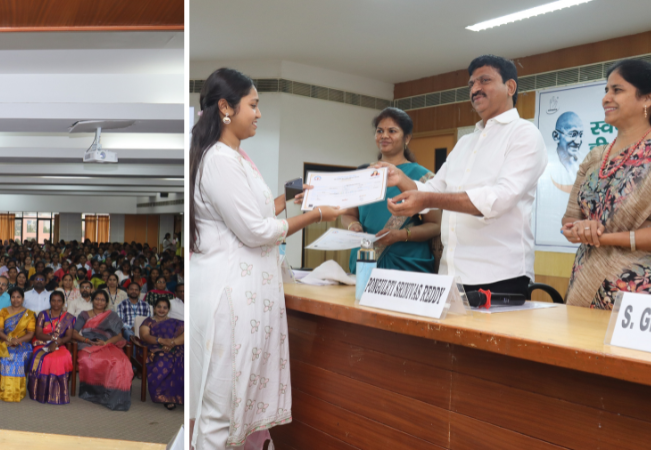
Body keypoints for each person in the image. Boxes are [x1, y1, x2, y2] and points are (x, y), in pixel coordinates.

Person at [191, 68, 344, 449]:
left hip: (247, 294)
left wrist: (285, 202)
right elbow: (254, 232)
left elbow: (249, 215)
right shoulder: (220, 160)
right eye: (254, 105)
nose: (259, 114)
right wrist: (316, 215)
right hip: (230, 296)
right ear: (226, 107)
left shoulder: (236, 158)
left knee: (236, 403)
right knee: (222, 410)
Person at [374, 55, 545, 294]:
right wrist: (399, 178)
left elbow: (497, 199)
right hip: (451, 276)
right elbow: (433, 190)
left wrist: (428, 200)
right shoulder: (466, 142)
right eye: (471, 84)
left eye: (484, 80)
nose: (475, 89)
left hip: (500, 276)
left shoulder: (525, 134)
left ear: (510, 87)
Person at [563, 59, 651, 309]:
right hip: (585, 287)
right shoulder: (595, 157)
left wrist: (604, 235)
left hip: (637, 299)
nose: (606, 98)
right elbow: (568, 220)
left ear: (646, 98)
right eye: (606, 90)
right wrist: (578, 229)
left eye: (617, 90)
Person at [341, 108, 441, 273]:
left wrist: (401, 235)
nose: (384, 136)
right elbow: (348, 214)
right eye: (380, 131)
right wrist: (353, 225)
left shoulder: (423, 177)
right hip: (366, 259)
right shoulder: (363, 174)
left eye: (392, 131)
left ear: (406, 138)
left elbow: (435, 225)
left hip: (406, 263)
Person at [73, 289, 132, 411]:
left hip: (107, 344)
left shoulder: (112, 316)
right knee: (89, 360)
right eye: (97, 299)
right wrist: (87, 341)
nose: (99, 302)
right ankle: (95, 392)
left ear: (106, 303)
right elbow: (74, 333)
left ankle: (115, 396)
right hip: (88, 344)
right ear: (92, 300)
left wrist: (105, 343)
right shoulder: (84, 314)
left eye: (102, 300)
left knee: (120, 362)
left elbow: (119, 336)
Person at [28, 291, 75, 405]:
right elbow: (38, 334)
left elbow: (68, 336)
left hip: (60, 344)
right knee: (47, 359)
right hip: (41, 343)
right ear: (50, 302)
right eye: (53, 300)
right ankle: (41, 392)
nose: (56, 303)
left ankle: (57, 394)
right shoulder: (43, 315)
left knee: (62, 358)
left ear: (63, 302)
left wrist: (58, 342)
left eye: (59, 301)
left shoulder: (68, 318)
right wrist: (52, 339)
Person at [140, 297, 183, 410]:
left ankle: (181, 396)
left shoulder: (175, 322)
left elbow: (187, 331)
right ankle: (166, 397)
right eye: (159, 306)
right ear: (154, 308)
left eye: (165, 307)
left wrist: (172, 343)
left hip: (174, 347)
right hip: (155, 349)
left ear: (168, 309)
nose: (161, 310)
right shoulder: (148, 321)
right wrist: (161, 341)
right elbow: (144, 336)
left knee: (182, 359)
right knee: (165, 360)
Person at [0, 289, 35, 402]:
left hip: (23, 342)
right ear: (10, 298)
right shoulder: (4, 311)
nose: (15, 300)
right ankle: (5, 390)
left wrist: (18, 341)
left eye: (18, 297)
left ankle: (18, 391)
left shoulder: (29, 314)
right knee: (7, 354)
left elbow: (30, 333)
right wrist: (9, 339)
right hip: (6, 341)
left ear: (23, 299)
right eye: (13, 297)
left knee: (19, 355)